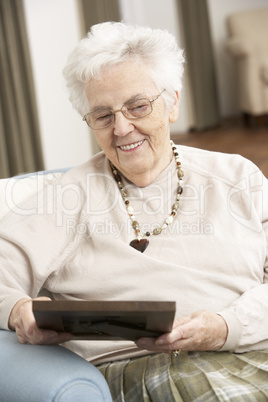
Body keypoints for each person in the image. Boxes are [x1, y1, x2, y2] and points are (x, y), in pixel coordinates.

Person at [0, 21, 268, 401]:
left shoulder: (238, 177)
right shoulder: (65, 198)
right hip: (146, 370)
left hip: (251, 347)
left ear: (173, 101)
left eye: (137, 106)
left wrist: (227, 326)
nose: (122, 128)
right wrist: (18, 310)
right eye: (103, 116)